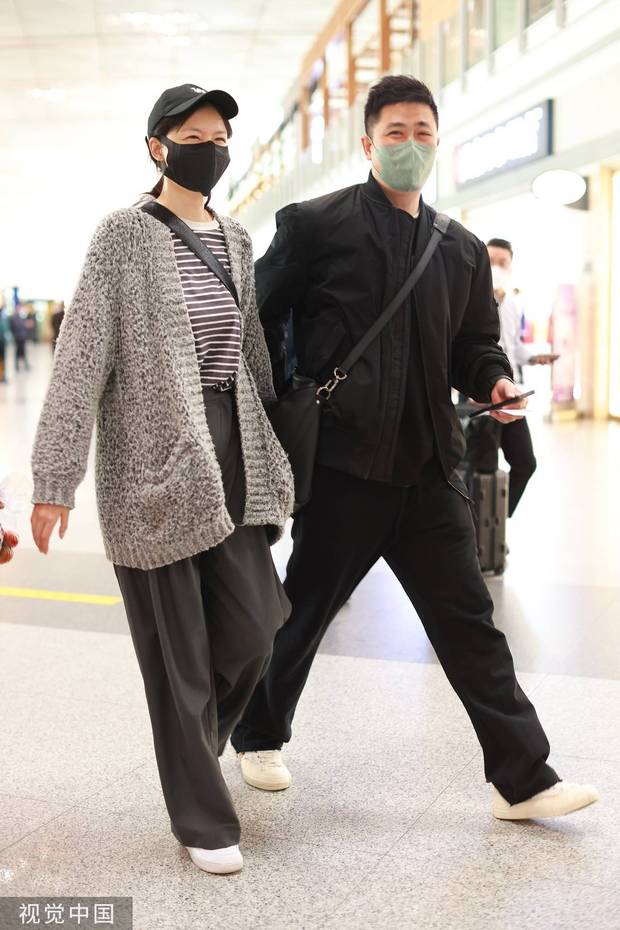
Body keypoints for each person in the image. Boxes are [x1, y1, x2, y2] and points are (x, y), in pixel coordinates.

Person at [231, 75, 598, 821]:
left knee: (468, 622)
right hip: (342, 468)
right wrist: (277, 407)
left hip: (431, 470)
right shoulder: (315, 225)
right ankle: (259, 732)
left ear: (438, 141)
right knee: (302, 611)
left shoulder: (460, 249)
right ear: (367, 143)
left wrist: (493, 383)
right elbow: (256, 319)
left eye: (422, 131)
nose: (409, 144)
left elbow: (475, 345)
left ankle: (522, 779)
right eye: (394, 132)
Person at [30, 83, 294, 875]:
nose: (209, 147)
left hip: (232, 450)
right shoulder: (122, 236)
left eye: (219, 137)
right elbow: (80, 360)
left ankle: (189, 747)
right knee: (177, 653)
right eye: (193, 134)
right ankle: (202, 820)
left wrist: (280, 444)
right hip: (150, 462)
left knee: (257, 626)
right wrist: (54, 477)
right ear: (157, 146)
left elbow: (250, 353)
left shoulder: (237, 238)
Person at [486, 238, 557, 517]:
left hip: (510, 391)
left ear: (511, 266)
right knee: (482, 467)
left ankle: (496, 524)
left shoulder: (514, 302)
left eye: (502, 263)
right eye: (490, 261)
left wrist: (534, 357)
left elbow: (512, 347)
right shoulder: (470, 295)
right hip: (480, 391)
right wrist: (493, 296)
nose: (496, 268)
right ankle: (474, 539)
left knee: (525, 463)